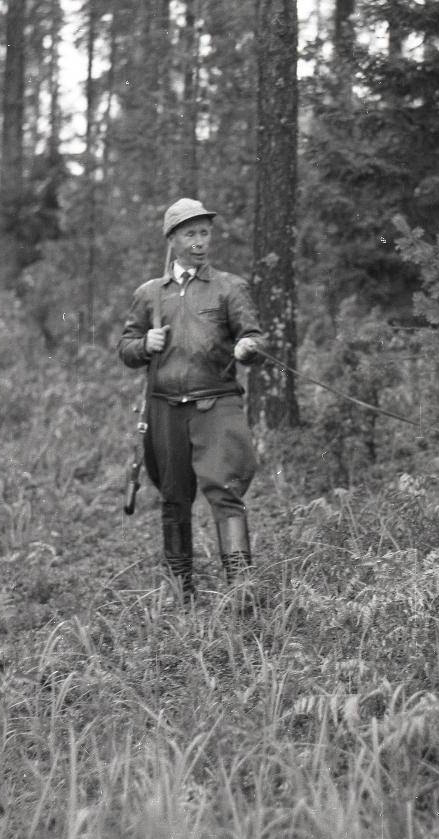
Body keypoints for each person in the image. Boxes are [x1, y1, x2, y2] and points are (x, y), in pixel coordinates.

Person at [118, 198, 263, 600]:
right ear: (172, 239)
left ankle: (242, 594)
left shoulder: (230, 287)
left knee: (225, 493)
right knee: (173, 498)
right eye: (190, 233)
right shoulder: (150, 295)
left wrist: (247, 346)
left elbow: (254, 334)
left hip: (216, 405)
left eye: (204, 232)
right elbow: (126, 349)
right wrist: (144, 343)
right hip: (165, 409)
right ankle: (180, 593)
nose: (199, 241)